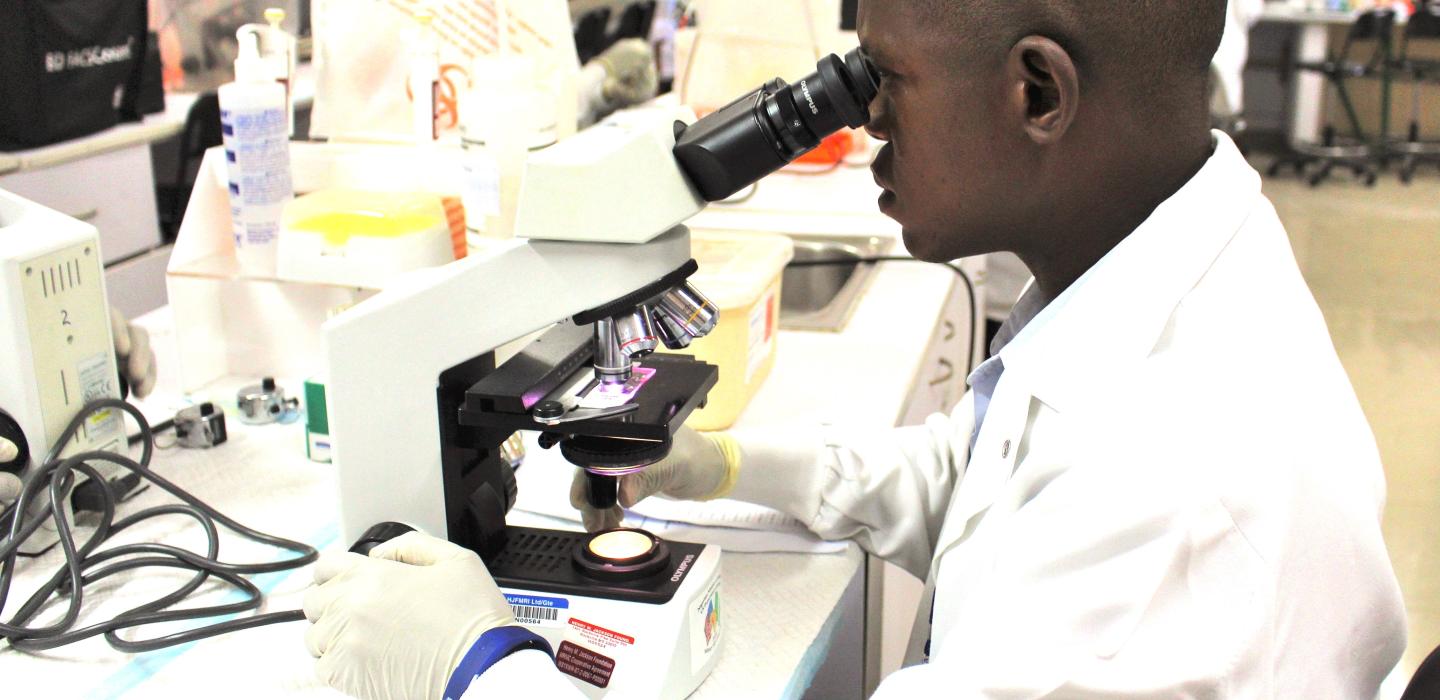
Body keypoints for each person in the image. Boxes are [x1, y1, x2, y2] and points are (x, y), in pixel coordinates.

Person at [302, 2, 1407, 698]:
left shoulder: (1172, 502)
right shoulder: (1150, 270)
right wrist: (732, 468)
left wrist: (474, 670)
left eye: (886, 77)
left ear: (1036, 91)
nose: (860, 118)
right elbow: (985, 480)